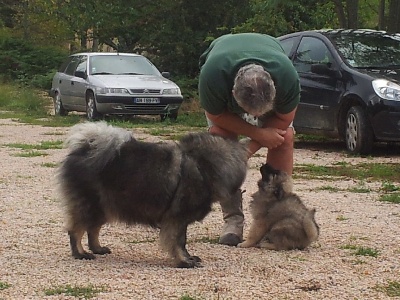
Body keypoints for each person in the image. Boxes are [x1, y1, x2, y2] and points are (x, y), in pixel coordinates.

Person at [198, 32, 300, 246]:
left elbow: (285, 118)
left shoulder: (287, 77)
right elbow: (216, 116)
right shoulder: (213, 76)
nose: (254, 119)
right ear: (233, 94)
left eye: (259, 115)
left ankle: (275, 218)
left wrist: (248, 148)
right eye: (250, 113)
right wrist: (254, 137)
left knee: (285, 139)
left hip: (272, 60)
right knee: (220, 140)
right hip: (221, 64)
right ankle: (233, 220)